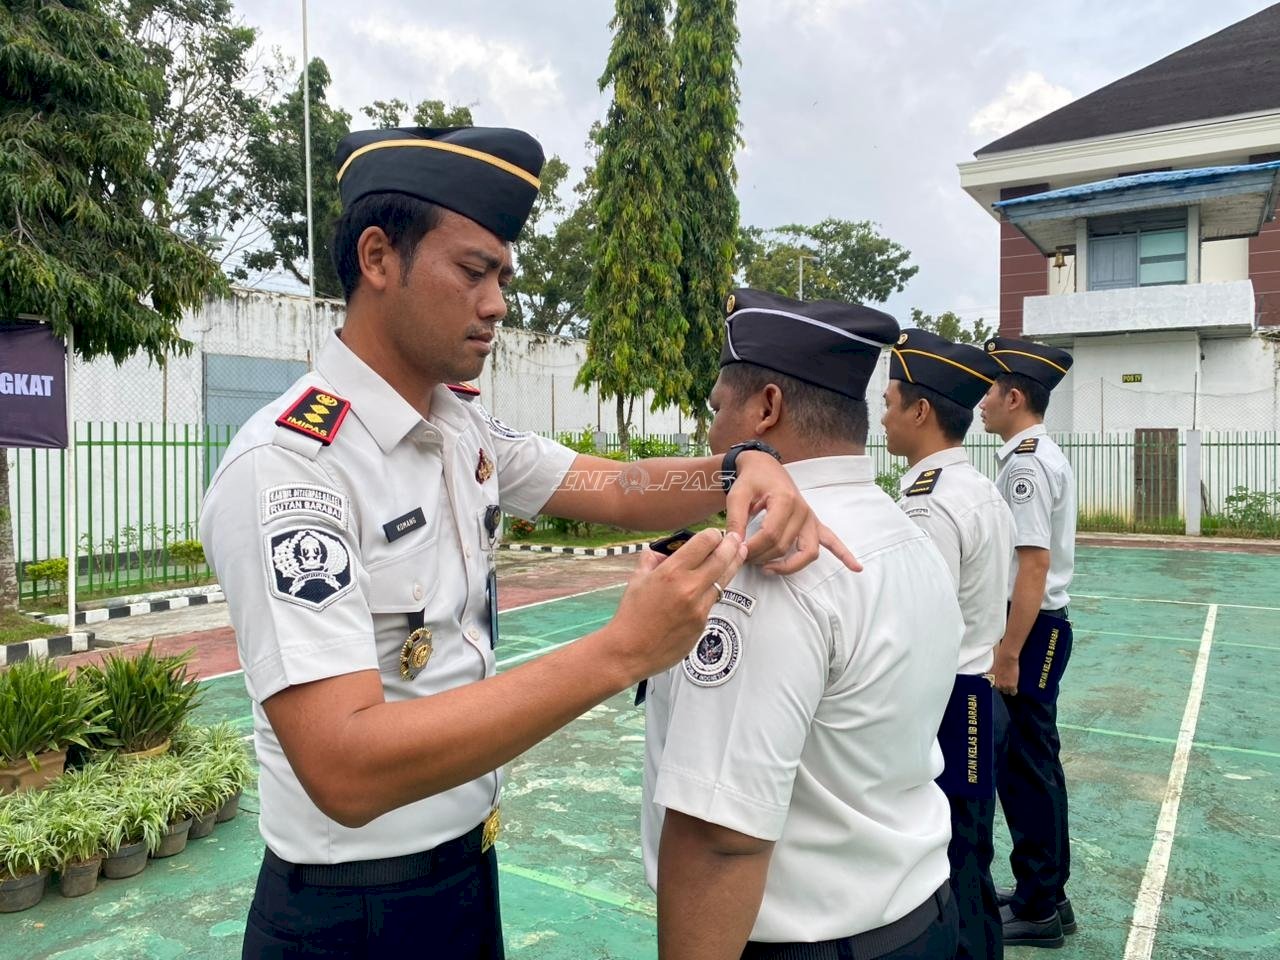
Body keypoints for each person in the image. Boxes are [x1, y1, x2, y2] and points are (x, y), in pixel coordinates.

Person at [198, 127, 856, 960]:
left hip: (464, 875)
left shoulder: (455, 418)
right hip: (353, 917)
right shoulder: (293, 465)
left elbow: (614, 486)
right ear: (377, 258)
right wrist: (621, 652)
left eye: (502, 276)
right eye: (473, 271)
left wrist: (740, 466)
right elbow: (344, 766)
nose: (498, 302)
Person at [641, 289, 964, 960]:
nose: (710, 435)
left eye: (717, 409)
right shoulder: (900, 531)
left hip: (811, 943)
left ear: (766, 407)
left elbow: (720, 838)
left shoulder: (771, 563)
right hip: (922, 918)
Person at [882, 328, 1016, 960]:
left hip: (948, 702)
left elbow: (918, 620)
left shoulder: (927, 504)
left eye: (889, 403)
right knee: (969, 854)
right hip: (974, 693)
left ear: (920, 410)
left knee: (953, 863)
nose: (881, 417)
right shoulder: (977, 487)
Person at [977, 335, 1077, 949]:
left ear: (1014, 396)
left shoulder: (1025, 464)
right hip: (1039, 623)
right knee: (1035, 762)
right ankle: (1048, 891)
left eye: (989, 391)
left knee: (1024, 767)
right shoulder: (1037, 453)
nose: (981, 402)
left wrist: (1009, 650)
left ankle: (1040, 903)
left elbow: (1032, 565)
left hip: (1030, 625)